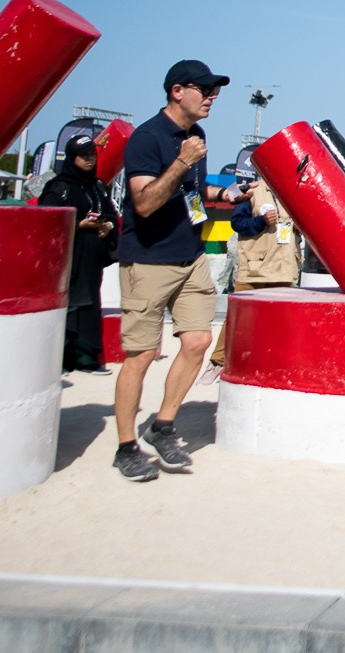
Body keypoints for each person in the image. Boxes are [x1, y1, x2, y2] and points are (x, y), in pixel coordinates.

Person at [111, 60, 252, 483]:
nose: (211, 99)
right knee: (141, 357)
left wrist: (224, 191)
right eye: (204, 90)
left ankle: (163, 425)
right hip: (149, 258)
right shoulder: (147, 139)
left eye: (215, 92)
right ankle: (125, 447)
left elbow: (190, 193)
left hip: (189, 257)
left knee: (198, 341)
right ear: (177, 91)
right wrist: (180, 162)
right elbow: (146, 203)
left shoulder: (197, 135)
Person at [40, 135, 119, 374]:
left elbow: (111, 213)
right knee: (69, 305)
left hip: (91, 259)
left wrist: (107, 226)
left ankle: (86, 358)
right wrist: (78, 224)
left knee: (89, 305)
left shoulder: (96, 187)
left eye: (92, 155)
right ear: (72, 158)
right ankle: (62, 359)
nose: (89, 160)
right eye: (84, 156)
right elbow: (48, 220)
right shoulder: (60, 186)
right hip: (69, 260)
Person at [208, 182, 300, 371]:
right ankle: (218, 362)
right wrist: (261, 221)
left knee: (278, 321)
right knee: (239, 317)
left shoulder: (294, 190)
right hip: (254, 268)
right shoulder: (252, 191)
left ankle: (269, 365)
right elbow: (238, 224)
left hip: (284, 266)